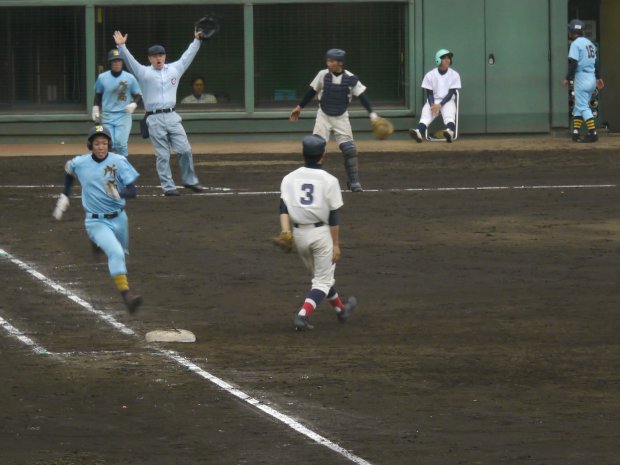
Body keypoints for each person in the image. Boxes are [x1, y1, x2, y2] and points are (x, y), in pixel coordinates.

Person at [52, 125, 142, 313]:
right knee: (116, 253)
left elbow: (133, 191)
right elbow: (68, 171)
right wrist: (65, 195)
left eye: (104, 143)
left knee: (121, 252)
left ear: (109, 144)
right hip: (96, 221)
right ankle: (127, 297)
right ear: (90, 145)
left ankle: (96, 243)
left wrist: (120, 194)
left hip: (120, 219)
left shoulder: (119, 161)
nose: (101, 147)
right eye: (96, 143)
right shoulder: (80, 163)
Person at [113, 29, 206, 196]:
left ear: (165, 56)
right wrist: (122, 46)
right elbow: (130, 61)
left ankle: (190, 180)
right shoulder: (144, 72)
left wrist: (197, 40)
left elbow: (187, 56)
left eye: (161, 55)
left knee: (185, 149)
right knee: (163, 155)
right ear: (150, 59)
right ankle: (168, 187)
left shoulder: (175, 69)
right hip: (154, 117)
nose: (158, 58)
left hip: (172, 115)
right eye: (155, 56)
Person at [279, 134, 357, 331]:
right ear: (323, 155)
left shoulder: (289, 178)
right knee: (322, 280)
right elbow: (333, 217)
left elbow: (283, 208)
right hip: (321, 235)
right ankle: (302, 316)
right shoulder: (329, 180)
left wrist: (285, 232)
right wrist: (336, 244)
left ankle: (341, 310)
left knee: (322, 277)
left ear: (303, 154)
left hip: (298, 236)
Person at [289, 48, 383, 193]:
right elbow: (312, 92)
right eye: (328, 60)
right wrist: (299, 107)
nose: (329, 63)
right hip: (324, 116)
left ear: (340, 63)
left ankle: (354, 182)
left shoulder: (351, 78)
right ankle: (313, 181)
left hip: (341, 117)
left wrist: (373, 115)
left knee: (349, 150)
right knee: (315, 147)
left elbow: (362, 97)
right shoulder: (322, 75)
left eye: (332, 61)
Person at [92, 48, 142, 157]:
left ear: (122, 62)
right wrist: (95, 108)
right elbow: (98, 94)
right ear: (110, 63)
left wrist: (134, 104)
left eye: (119, 61)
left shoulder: (129, 77)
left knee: (121, 143)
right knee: (110, 143)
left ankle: (122, 167)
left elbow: (138, 94)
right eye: (114, 61)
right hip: (107, 114)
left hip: (123, 114)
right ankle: (110, 167)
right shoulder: (102, 77)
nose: (117, 63)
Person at [562, 19, 605, 143]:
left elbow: (573, 63)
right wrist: (598, 77)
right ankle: (575, 132)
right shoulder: (589, 43)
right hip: (591, 78)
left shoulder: (575, 44)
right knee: (579, 106)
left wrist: (567, 78)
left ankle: (593, 133)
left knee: (583, 107)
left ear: (572, 31)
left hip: (581, 78)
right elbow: (595, 63)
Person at [409, 49, 461, 143]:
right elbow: (429, 93)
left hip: (447, 100)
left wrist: (439, 105)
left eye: (448, 58)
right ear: (438, 60)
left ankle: (449, 132)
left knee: (449, 116)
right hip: (434, 100)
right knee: (425, 115)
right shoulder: (430, 75)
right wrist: (433, 105)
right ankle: (418, 132)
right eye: (444, 58)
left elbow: (450, 93)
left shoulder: (454, 75)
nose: (447, 60)